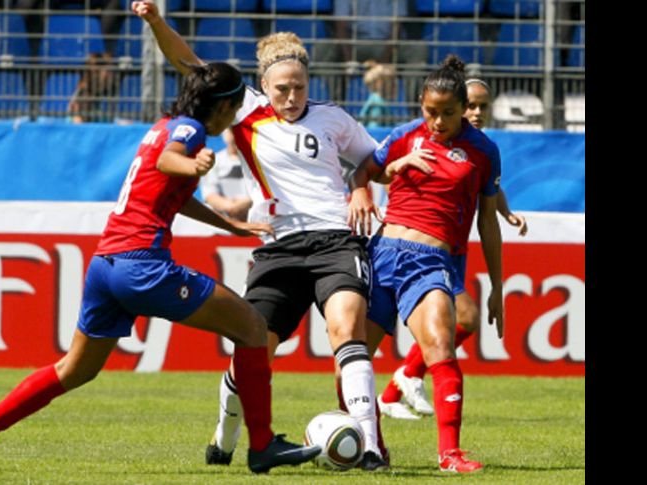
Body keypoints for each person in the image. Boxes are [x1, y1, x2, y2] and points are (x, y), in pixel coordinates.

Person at [0, 61, 321, 475]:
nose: (233, 118)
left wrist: (228, 224)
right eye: (234, 109)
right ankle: (262, 445)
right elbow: (169, 162)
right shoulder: (190, 131)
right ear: (223, 106)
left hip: (105, 265)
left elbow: (170, 189)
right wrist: (193, 165)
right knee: (253, 327)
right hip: (142, 266)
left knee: (75, 369)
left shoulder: (163, 124)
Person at [131, 0, 390, 471]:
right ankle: (225, 434)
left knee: (346, 329)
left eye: (299, 87)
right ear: (263, 87)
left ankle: (369, 447)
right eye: (282, 89)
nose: (291, 97)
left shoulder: (334, 118)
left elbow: (374, 162)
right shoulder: (245, 110)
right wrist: (155, 21)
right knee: (254, 348)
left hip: (337, 239)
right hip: (278, 247)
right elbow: (189, 64)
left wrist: (361, 188)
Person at [348, 55, 504, 473]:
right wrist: (361, 191)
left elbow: (487, 221)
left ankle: (449, 454)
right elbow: (365, 171)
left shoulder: (483, 151)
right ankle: (371, 447)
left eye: (448, 114)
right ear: (421, 103)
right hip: (381, 254)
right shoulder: (403, 136)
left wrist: (498, 289)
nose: (438, 122)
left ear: (463, 108)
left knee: (440, 344)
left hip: (429, 261)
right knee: (354, 356)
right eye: (431, 112)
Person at [375, 77, 528, 420]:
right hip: (417, 251)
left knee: (464, 322)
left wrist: (504, 211)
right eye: (471, 106)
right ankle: (404, 380)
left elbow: (484, 192)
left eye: (482, 106)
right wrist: (387, 172)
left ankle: (398, 385)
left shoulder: (483, 150)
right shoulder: (415, 135)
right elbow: (372, 170)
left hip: (452, 252)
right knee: (462, 321)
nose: (476, 113)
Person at [200, 129, 252, 221]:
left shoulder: (256, 162)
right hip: (224, 224)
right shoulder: (213, 162)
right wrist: (231, 207)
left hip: (256, 220)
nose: (236, 137)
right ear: (225, 135)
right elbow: (210, 195)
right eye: (232, 132)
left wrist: (248, 202)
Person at [69, 52, 118, 123]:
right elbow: (77, 117)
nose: (111, 74)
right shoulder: (85, 92)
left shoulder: (103, 88)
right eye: (108, 71)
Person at [359, 61, 398, 128]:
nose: (395, 84)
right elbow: (375, 129)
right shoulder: (377, 105)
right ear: (379, 84)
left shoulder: (377, 100)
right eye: (391, 80)